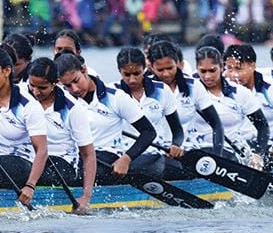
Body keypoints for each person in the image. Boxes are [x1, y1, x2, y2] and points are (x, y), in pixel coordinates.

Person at [59, 52, 161, 184]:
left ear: (84, 70)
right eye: (67, 86)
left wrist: (126, 159)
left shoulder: (115, 97)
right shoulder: (62, 101)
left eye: (76, 81)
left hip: (107, 158)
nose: (75, 89)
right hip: (75, 158)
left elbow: (148, 132)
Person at [0, 47, 48, 206]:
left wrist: (30, 186)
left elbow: (42, 150)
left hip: (19, 164)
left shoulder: (28, 106)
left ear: (7, 71)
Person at [145, 41, 225, 177]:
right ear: (151, 68)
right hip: (153, 152)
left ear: (178, 63)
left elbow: (216, 125)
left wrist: (217, 158)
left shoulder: (194, 86)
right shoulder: (142, 89)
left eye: (170, 68)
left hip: (187, 151)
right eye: (160, 70)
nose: (166, 74)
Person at [25, 57, 94, 210]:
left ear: (55, 83)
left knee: (26, 170)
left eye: (42, 88)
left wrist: (86, 197)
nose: (35, 92)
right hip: (29, 158)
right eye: (32, 86)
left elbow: (88, 154)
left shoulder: (73, 109)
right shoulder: (22, 96)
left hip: (61, 164)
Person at [190, 47, 270, 166]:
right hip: (197, 149)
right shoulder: (189, 92)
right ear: (197, 69)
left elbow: (262, 127)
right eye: (202, 71)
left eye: (212, 70)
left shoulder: (240, 93)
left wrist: (259, 154)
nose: (207, 76)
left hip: (232, 151)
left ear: (222, 67)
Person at [114, 47, 185, 166]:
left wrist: (176, 145)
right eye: (126, 74)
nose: (132, 80)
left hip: (156, 153)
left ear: (145, 68)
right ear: (119, 71)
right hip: (122, 156)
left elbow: (177, 130)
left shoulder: (162, 90)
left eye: (137, 73)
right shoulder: (112, 93)